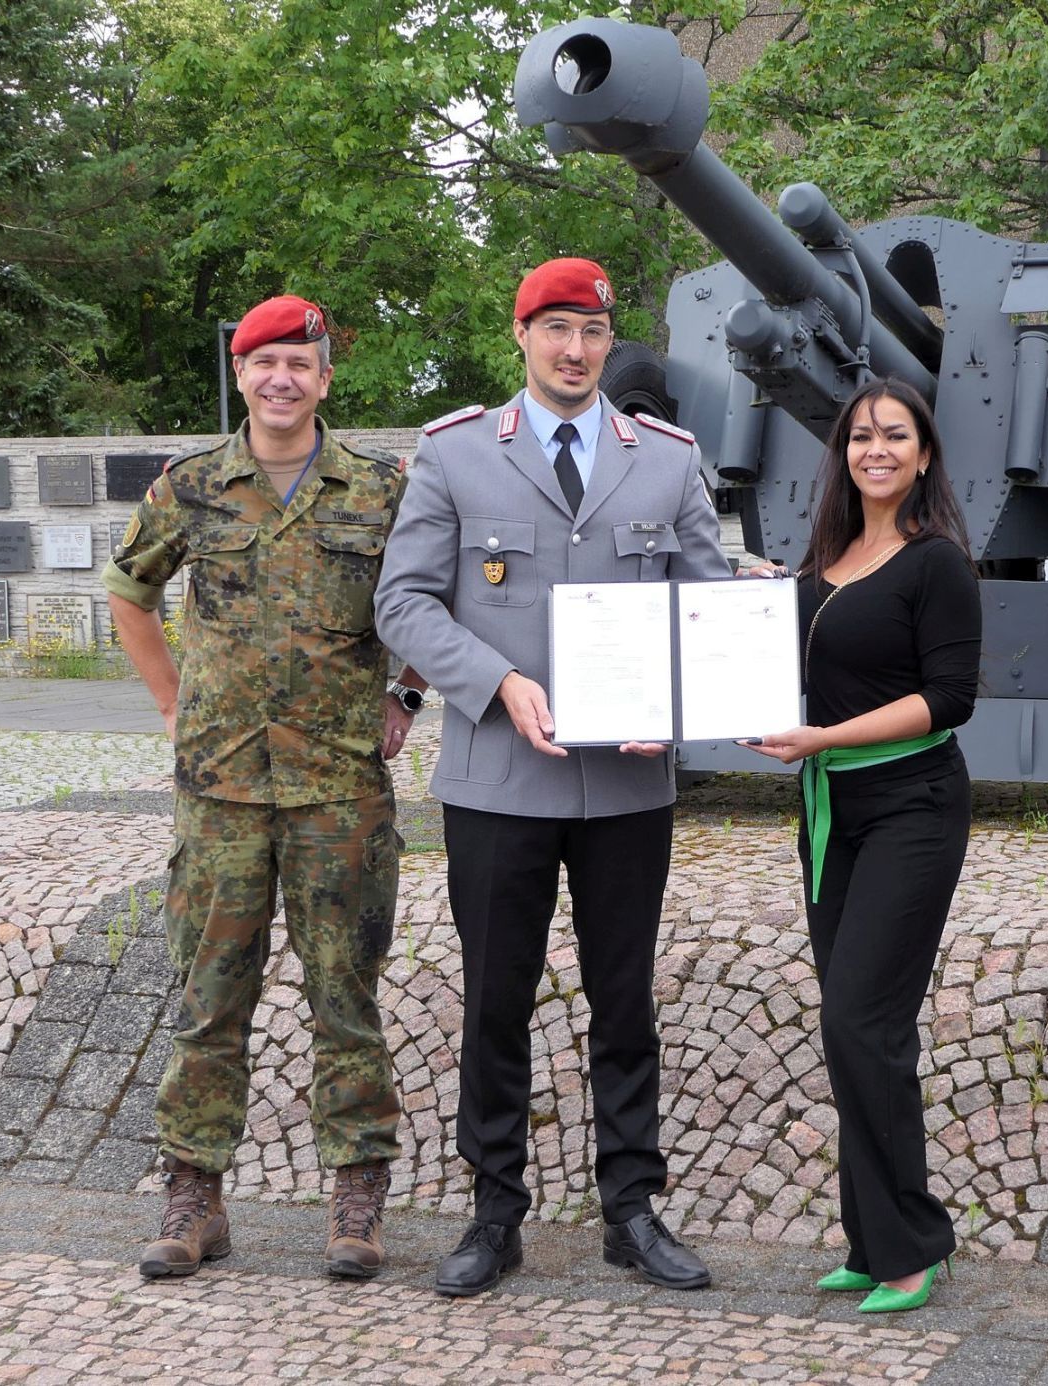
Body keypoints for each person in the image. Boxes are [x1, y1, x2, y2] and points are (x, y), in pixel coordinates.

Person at [374, 257, 732, 1298]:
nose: (577, 350)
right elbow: (404, 605)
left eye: (594, 331)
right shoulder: (451, 455)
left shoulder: (665, 458)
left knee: (625, 1003)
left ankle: (631, 1209)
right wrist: (497, 683)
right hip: (497, 781)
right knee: (496, 1000)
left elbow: (702, 606)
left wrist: (672, 699)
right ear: (521, 334)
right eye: (557, 329)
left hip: (625, 789)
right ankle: (494, 1213)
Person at [104, 294, 425, 1283]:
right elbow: (129, 594)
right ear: (240, 376)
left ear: (326, 379)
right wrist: (174, 706)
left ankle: (357, 1202)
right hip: (223, 789)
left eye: (300, 362)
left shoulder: (382, 488)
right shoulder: (192, 487)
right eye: (263, 362)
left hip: (339, 790)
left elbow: (427, 600)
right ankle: (194, 1198)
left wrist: (407, 693)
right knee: (209, 999)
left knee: (346, 996)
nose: (281, 378)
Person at [746, 378, 980, 1314]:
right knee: (854, 1029)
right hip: (831, 815)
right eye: (859, 436)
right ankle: (875, 1233)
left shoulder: (939, 565)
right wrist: (765, 602)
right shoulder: (824, 562)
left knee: (861, 1021)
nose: (875, 448)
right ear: (842, 454)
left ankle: (915, 1245)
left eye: (895, 435)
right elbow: (795, 647)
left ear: (923, 455)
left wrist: (823, 739)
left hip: (912, 807)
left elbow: (950, 697)